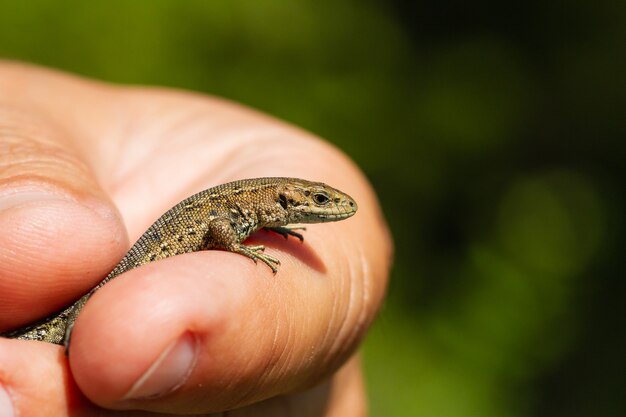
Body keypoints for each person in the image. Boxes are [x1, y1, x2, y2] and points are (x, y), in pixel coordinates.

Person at [0, 61, 392, 417]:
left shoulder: (252, 209)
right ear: (288, 199)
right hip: (85, 305)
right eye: (321, 201)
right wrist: (237, 248)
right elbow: (219, 227)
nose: (330, 207)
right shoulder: (234, 209)